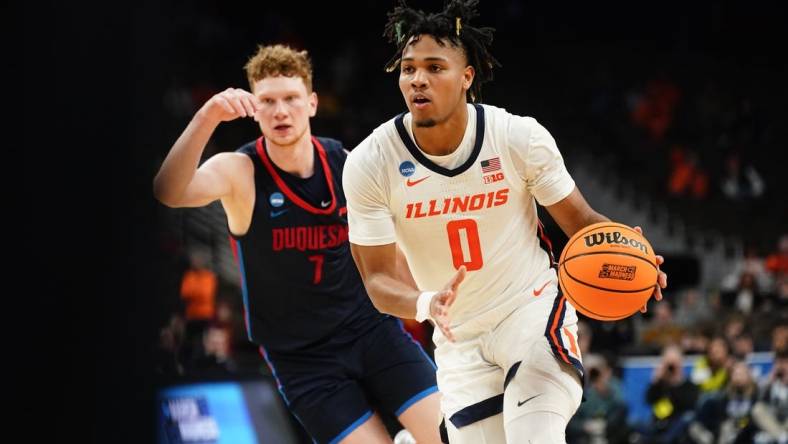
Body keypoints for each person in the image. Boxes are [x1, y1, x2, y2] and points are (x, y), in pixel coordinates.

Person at [341, 1, 667, 442]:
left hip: (530, 312)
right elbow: (377, 281)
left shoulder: (516, 137)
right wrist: (426, 304)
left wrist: (629, 252)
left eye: (435, 67)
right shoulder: (371, 162)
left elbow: (582, 222)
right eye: (408, 68)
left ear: (467, 77)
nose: (418, 79)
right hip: (459, 339)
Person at [153, 44, 441, 444]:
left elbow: (390, 248)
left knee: (454, 437)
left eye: (290, 98)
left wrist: (428, 301)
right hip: (303, 361)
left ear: (312, 104)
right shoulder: (240, 172)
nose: (280, 111)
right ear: (254, 109)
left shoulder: (345, 162)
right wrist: (208, 116)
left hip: (372, 333)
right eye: (267, 101)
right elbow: (168, 190)